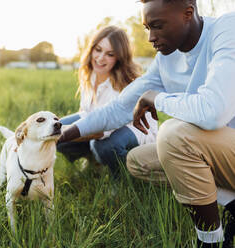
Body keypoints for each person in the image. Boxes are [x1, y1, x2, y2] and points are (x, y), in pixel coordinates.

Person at [58, 0, 235, 247]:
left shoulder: (227, 29)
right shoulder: (166, 60)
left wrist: (158, 98)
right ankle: (232, 206)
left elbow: (213, 111)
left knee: (174, 134)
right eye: (147, 28)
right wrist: (62, 134)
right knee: (139, 160)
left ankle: (210, 242)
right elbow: (120, 107)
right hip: (221, 152)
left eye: (157, 26)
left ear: (187, 14)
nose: (151, 37)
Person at [58, 26, 157, 175]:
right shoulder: (89, 73)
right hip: (101, 123)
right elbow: (86, 111)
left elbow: (101, 130)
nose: (100, 58)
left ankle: (122, 177)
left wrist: (63, 134)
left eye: (110, 54)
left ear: (119, 58)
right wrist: (61, 131)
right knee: (57, 127)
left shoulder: (122, 86)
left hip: (135, 127)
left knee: (105, 146)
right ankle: (93, 161)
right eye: (98, 50)